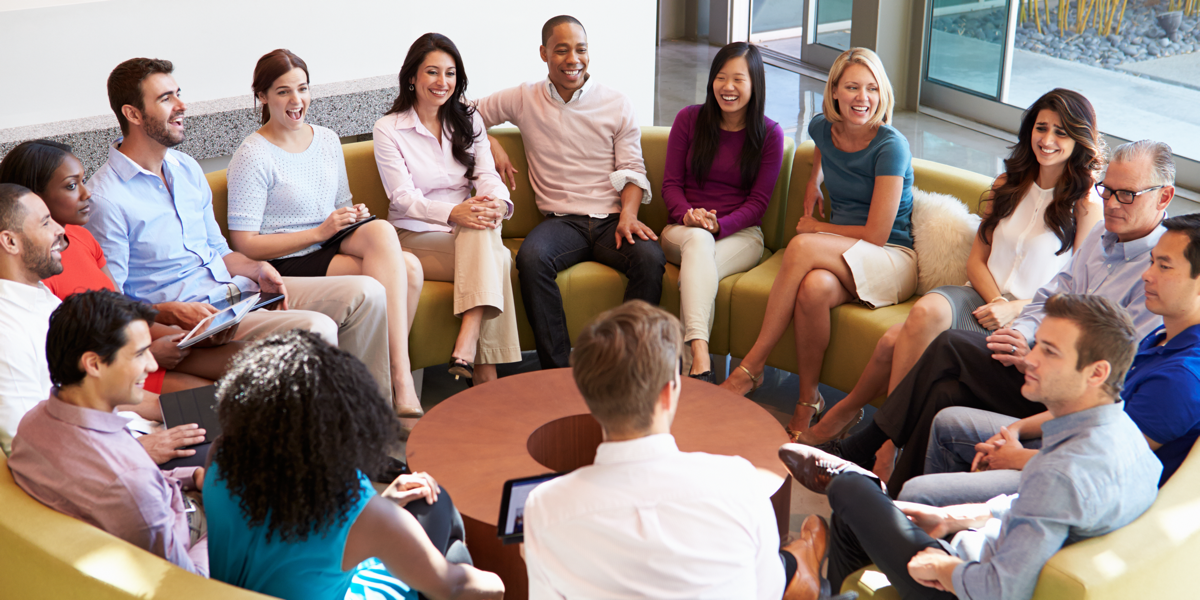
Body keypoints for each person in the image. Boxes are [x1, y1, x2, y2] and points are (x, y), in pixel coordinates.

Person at [825, 139, 1174, 496]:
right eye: (1108, 190)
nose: (1112, 203)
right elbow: (1054, 294)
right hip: (1039, 357)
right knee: (944, 391)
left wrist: (1041, 357)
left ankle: (865, 446)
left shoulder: (1160, 273)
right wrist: (1022, 334)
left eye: (1126, 195)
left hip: (1068, 394)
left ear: (1164, 197)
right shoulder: (1103, 236)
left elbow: (1113, 370)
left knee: (951, 345)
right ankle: (896, 496)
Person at [780, 294, 1161, 600]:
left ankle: (823, 564)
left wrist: (944, 568)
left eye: (1049, 351)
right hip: (981, 545)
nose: (1030, 359)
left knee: (849, 489)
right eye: (1038, 344)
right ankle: (834, 590)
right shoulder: (1124, 436)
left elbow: (999, 589)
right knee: (856, 515)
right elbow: (1040, 510)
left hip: (962, 582)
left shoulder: (1060, 472)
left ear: (1097, 373)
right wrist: (960, 517)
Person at [800, 89, 1104, 447]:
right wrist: (995, 302)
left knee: (892, 342)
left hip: (1032, 317)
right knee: (926, 309)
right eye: (1042, 128)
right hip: (977, 297)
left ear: (1079, 139)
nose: (1048, 140)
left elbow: (1078, 290)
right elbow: (975, 261)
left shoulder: (1086, 205)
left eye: (1061, 132)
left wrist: (1014, 309)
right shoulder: (1007, 185)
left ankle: (875, 438)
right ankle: (879, 442)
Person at [84, 58, 396, 404]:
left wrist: (257, 268)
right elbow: (110, 301)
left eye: (178, 94)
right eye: (165, 99)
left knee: (369, 293)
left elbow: (219, 250)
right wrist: (168, 312)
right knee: (316, 329)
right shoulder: (106, 198)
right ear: (133, 114)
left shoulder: (185, 168)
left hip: (237, 293)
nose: (181, 105)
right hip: (197, 319)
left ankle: (372, 420)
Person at [522, 300, 824, 600]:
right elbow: (766, 593)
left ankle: (802, 554)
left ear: (587, 398)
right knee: (783, 562)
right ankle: (803, 555)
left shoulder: (544, 509)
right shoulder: (739, 482)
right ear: (669, 392)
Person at [901, 213, 1200, 505]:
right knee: (948, 412)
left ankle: (898, 515)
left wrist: (1015, 457)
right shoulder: (1162, 337)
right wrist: (1015, 431)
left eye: (1164, 266)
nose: (1147, 275)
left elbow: (1103, 465)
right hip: (1071, 441)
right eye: (1151, 262)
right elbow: (1094, 413)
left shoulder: (1181, 378)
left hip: (1081, 486)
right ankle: (896, 516)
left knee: (920, 492)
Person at [203, 330, 503, 600]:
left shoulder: (223, 457)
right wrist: (503, 583)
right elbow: (451, 586)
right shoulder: (356, 509)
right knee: (443, 519)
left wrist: (379, 506)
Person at [721, 48, 915, 441]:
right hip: (846, 258)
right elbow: (820, 150)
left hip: (891, 258)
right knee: (812, 290)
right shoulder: (823, 129)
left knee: (802, 245)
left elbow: (878, 234)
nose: (863, 97)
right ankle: (808, 401)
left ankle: (752, 366)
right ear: (835, 93)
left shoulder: (891, 146)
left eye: (872, 88)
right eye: (853, 87)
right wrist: (813, 180)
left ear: (883, 95)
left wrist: (813, 228)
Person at [224, 49, 424, 415]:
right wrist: (319, 232)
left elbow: (337, 204)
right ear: (263, 96)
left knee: (380, 232)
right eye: (283, 91)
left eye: (302, 88)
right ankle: (391, 387)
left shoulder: (329, 140)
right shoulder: (253, 154)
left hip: (328, 240)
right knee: (408, 270)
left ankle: (394, 381)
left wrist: (351, 215)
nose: (296, 100)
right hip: (284, 259)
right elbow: (244, 243)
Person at [477, 15, 666, 370]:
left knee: (650, 260)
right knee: (532, 259)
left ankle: (625, 363)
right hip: (562, 223)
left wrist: (628, 215)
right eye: (561, 50)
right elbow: (464, 114)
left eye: (580, 49)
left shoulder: (616, 103)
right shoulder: (524, 97)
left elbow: (632, 170)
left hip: (612, 219)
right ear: (543, 53)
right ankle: (558, 370)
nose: (572, 59)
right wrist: (490, 143)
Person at [0, 139, 241, 401]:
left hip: (142, 347)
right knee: (223, 398)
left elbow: (120, 310)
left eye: (82, 181)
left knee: (255, 364)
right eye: (71, 186)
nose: (87, 193)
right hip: (118, 369)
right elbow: (75, 354)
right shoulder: (40, 271)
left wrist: (192, 335)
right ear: (35, 199)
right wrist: (148, 351)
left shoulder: (82, 236)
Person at [8, 290, 209, 575]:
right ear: (94, 364)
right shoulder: (129, 479)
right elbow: (189, 580)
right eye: (140, 354)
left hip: (167, 503)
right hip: (191, 536)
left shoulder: (35, 422)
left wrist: (191, 476)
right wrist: (227, 519)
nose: (152, 365)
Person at [0, 184, 205, 462]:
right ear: (10, 242)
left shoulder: (39, 296)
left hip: (126, 434)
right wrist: (140, 452)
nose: (60, 229)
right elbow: (28, 452)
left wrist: (180, 409)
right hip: (115, 461)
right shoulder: (8, 335)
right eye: (46, 222)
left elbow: (91, 390)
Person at [373, 34, 520, 386]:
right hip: (415, 234)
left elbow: (487, 175)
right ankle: (484, 370)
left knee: (481, 226)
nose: (443, 83)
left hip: (468, 229)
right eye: (433, 73)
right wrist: (454, 214)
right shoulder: (388, 129)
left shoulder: (467, 117)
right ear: (412, 77)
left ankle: (469, 352)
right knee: (498, 259)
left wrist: (497, 202)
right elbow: (401, 198)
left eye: (451, 74)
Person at [660, 42, 785, 382]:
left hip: (742, 235)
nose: (727, 87)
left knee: (700, 263)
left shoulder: (770, 135)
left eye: (738, 80)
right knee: (698, 245)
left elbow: (758, 204)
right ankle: (701, 357)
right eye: (720, 77)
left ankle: (693, 365)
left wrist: (718, 226)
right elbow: (670, 185)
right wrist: (688, 216)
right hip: (681, 230)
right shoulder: (689, 119)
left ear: (754, 84)